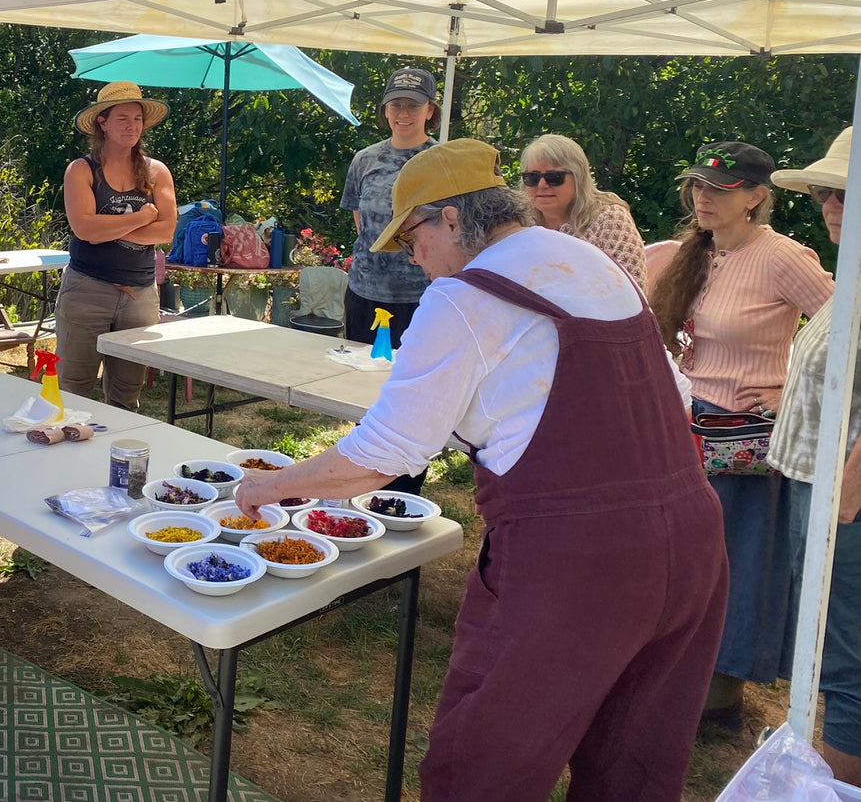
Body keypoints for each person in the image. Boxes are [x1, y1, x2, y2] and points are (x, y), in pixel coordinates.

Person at [236, 139, 726, 802]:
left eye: (410, 234)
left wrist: (269, 484)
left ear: (450, 218)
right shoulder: (588, 262)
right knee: (631, 767)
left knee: (482, 766)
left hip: (574, 562)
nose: (411, 256)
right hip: (694, 541)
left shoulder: (461, 298)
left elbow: (383, 455)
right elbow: (677, 394)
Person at [649, 140, 833, 726]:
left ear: (757, 197)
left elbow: (841, 330)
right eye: (699, 185)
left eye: (720, 189)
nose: (703, 197)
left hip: (747, 439)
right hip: (690, 424)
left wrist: (789, 391)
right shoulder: (697, 251)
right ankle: (680, 671)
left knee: (738, 562)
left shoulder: (784, 257)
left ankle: (720, 695)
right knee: (688, 555)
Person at [770, 128, 861, 783]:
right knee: (830, 653)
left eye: (845, 193)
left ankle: (832, 787)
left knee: (845, 662)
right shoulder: (849, 277)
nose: (830, 206)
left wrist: (845, 502)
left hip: (843, 502)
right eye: (826, 193)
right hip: (815, 489)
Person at [56, 80, 176, 410]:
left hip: (139, 293)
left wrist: (111, 228)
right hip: (86, 290)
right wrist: (141, 217)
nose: (132, 126)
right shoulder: (81, 170)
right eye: (122, 118)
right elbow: (84, 228)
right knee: (73, 387)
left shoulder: (156, 171)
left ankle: (118, 458)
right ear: (102, 123)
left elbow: (165, 230)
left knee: (127, 392)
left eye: (137, 119)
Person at [341, 66, 438, 348]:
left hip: (422, 296)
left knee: (413, 382)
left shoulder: (443, 160)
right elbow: (362, 223)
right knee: (355, 380)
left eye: (413, 105)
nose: (403, 114)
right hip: (364, 293)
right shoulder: (365, 160)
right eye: (396, 105)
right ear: (385, 110)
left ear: (429, 111)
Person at [519, 132, 648, 292]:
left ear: (579, 176)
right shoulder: (519, 224)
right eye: (532, 177)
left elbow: (631, 289)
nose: (542, 185)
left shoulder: (609, 218)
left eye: (554, 177)